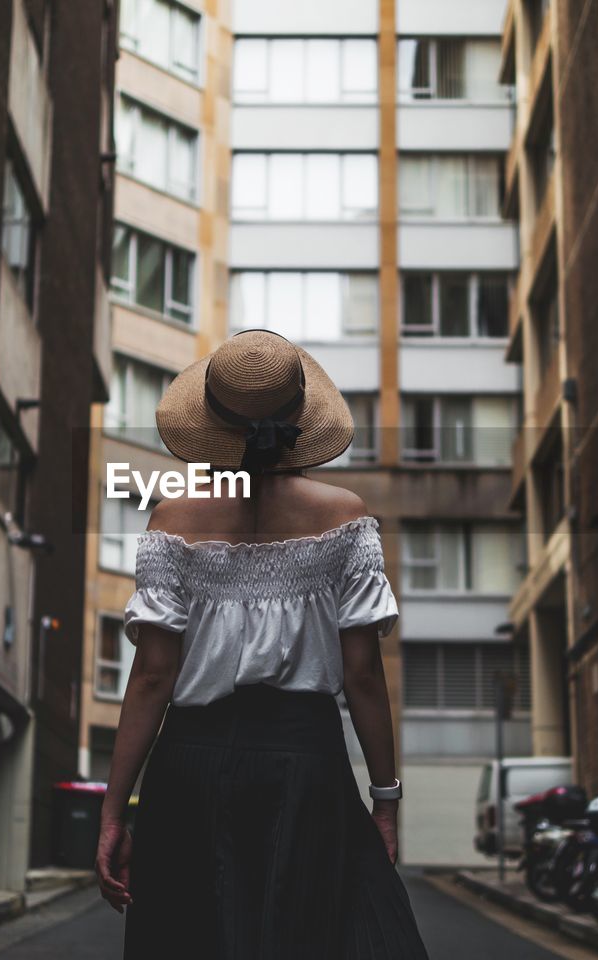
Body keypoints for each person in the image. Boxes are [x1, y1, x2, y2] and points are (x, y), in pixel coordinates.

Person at [94, 330, 431, 959]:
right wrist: (384, 801)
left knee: (197, 938)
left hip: (188, 764)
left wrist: (115, 810)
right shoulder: (344, 518)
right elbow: (362, 676)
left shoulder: (172, 520)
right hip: (306, 761)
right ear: (301, 418)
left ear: (212, 424)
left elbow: (150, 679)